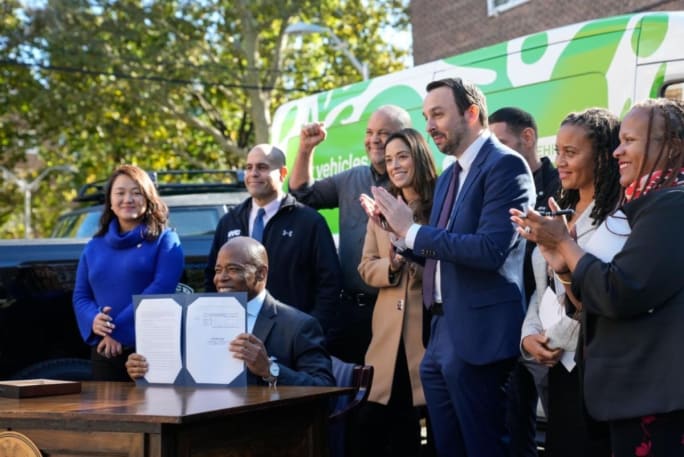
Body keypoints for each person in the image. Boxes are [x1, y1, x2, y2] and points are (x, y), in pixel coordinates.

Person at [369, 77, 535, 457]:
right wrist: (399, 237)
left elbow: (490, 250)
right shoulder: (448, 176)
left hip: (480, 338)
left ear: (471, 113)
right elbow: (441, 252)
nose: (429, 125)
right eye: (426, 116)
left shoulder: (506, 166)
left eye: (438, 114)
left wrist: (412, 230)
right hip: (440, 336)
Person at [513, 98, 684, 457]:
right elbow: (589, 299)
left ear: (671, 147)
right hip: (617, 393)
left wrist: (565, 245)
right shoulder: (644, 203)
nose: (618, 151)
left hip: (652, 401)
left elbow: (619, 292)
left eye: (630, 141)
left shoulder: (671, 204)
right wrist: (562, 265)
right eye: (619, 141)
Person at [520, 108, 621, 457]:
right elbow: (542, 285)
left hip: (592, 366)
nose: (560, 162)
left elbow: (598, 292)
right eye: (558, 151)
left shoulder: (617, 219)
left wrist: (551, 340)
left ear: (603, 157)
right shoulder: (560, 210)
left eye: (571, 153)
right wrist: (528, 336)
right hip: (556, 368)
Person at [290, 105, 412, 363]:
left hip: (396, 310)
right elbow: (302, 193)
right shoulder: (352, 178)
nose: (374, 139)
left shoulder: (414, 185)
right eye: (369, 132)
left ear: (405, 138)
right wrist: (306, 149)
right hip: (350, 313)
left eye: (383, 133)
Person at [128, 236, 335, 387]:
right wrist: (145, 370)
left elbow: (324, 386)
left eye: (233, 269)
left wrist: (270, 370)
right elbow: (181, 378)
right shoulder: (193, 319)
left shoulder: (298, 325)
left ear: (261, 273)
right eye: (218, 270)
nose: (221, 278)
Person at [204, 144, 341, 345]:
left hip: (290, 339)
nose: (253, 173)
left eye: (262, 167)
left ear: (283, 173)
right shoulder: (229, 221)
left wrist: (312, 332)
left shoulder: (309, 222)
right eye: (249, 167)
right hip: (238, 338)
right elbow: (211, 278)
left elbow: (330, 284)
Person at [356, 128, 437, 457]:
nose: (395, 165)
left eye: (402, 156)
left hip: (428, 337)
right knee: (380, 430)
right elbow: (365, 267)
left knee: (434, 432)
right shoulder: (381, 209)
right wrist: (391, 264)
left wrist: (412, 254)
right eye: (389, 159)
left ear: (419, 156)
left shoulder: (440, 205)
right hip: (386, 341)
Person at [489, 106, 561, 457]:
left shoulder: (561, 185)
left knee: (563, 427)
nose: (495, 153)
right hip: (508, 327)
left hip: (552, 332)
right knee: (514, 429)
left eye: (501, 142)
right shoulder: (493, 188)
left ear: (528, 137)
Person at [73, 164, 184, 381]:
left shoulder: (166, 240)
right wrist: (94, 319)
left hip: (149, 350)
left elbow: (161, 289)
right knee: (105, 404)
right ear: (110, 201)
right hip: (104, 348)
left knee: (150, 403)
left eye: (136, 193)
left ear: (148, 198)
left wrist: (115, 330)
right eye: (120, 193)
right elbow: (81, 295)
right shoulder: (94, 246)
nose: (128, 199)